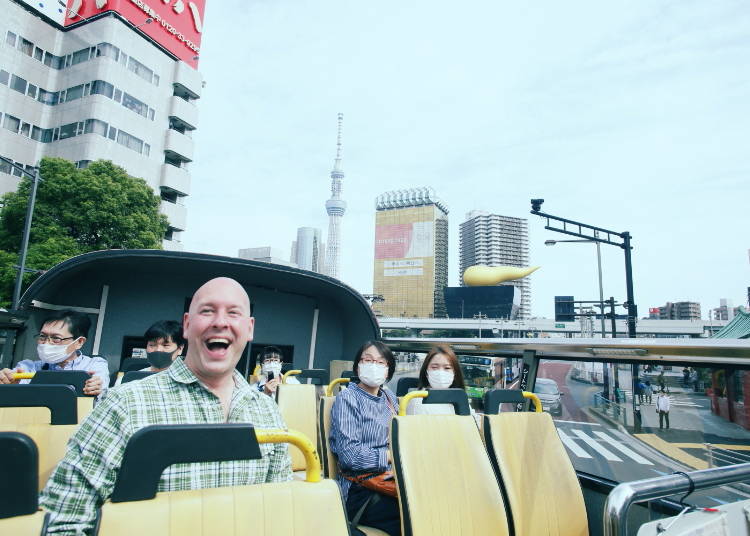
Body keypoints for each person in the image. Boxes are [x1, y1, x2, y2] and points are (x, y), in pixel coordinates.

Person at [39, 277, 292, 534]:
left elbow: (278, 510)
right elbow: (64, 518)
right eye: (207, 311)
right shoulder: (124, 403)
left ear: (249, 329)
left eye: (233, 313)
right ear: (187, 325)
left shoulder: (267, 410)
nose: (220, 321)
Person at [330, 340, 400, 536]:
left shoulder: (389, 397)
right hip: (360, 487)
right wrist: (389, 456)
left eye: (380, 363)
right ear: (358, 365)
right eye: (368, 360)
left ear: (388, 370)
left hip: (389, 479)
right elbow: (350, 456)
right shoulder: (348, 398)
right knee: (411, 513)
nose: (373, 366)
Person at [0, 310, 108, 397]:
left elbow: (101, 385)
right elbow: (12, 384)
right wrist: (7, 383)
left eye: (56, 338)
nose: (47, 343)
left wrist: (96, 387)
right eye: (42, 336)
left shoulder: (94, 365)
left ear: (79, 342)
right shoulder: (28, 367)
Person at [406, 345, 466, 415]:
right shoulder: (417, 403)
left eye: (447, 368)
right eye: (434, 367)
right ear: (426, 372)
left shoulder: (460, 399)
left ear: (455, 373)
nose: (441, 372)